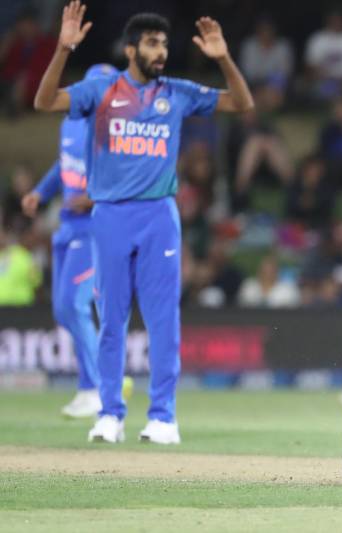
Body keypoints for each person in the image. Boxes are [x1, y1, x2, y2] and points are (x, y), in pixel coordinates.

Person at [33, 2, 254, 444]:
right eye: (152, 44)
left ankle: (163, 418)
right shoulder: (102, 91)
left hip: (159, 216)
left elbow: (241, 103)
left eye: (164, 44)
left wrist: (223, 58)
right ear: (130, 49)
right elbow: (43, 102)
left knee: (162, 320)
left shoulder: (176, 91)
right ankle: (110, 413)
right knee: (111, 318)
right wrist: (62, 50)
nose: (161, 52)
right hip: (111, 215)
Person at [22, 63, 117, 419]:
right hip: (66, 227)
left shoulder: (113, 130)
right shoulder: (71, 121)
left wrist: (91, 198)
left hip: (94, 228)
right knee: (64, 310)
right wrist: (40, 192)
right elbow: (64, 163)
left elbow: (128, 178)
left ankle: (96, 389)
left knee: (74, 304)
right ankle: (91, 384)